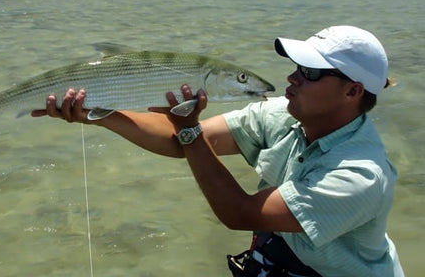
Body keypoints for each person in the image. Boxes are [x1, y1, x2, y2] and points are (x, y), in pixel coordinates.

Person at [32, 25, 404, 277]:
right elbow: (182, 142)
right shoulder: (281, 114)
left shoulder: (359, 176)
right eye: (295, 66)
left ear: (352, 92)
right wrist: (99, 116)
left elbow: (239, 213)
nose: (291, 78)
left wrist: (189, 129)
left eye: (309, 72)